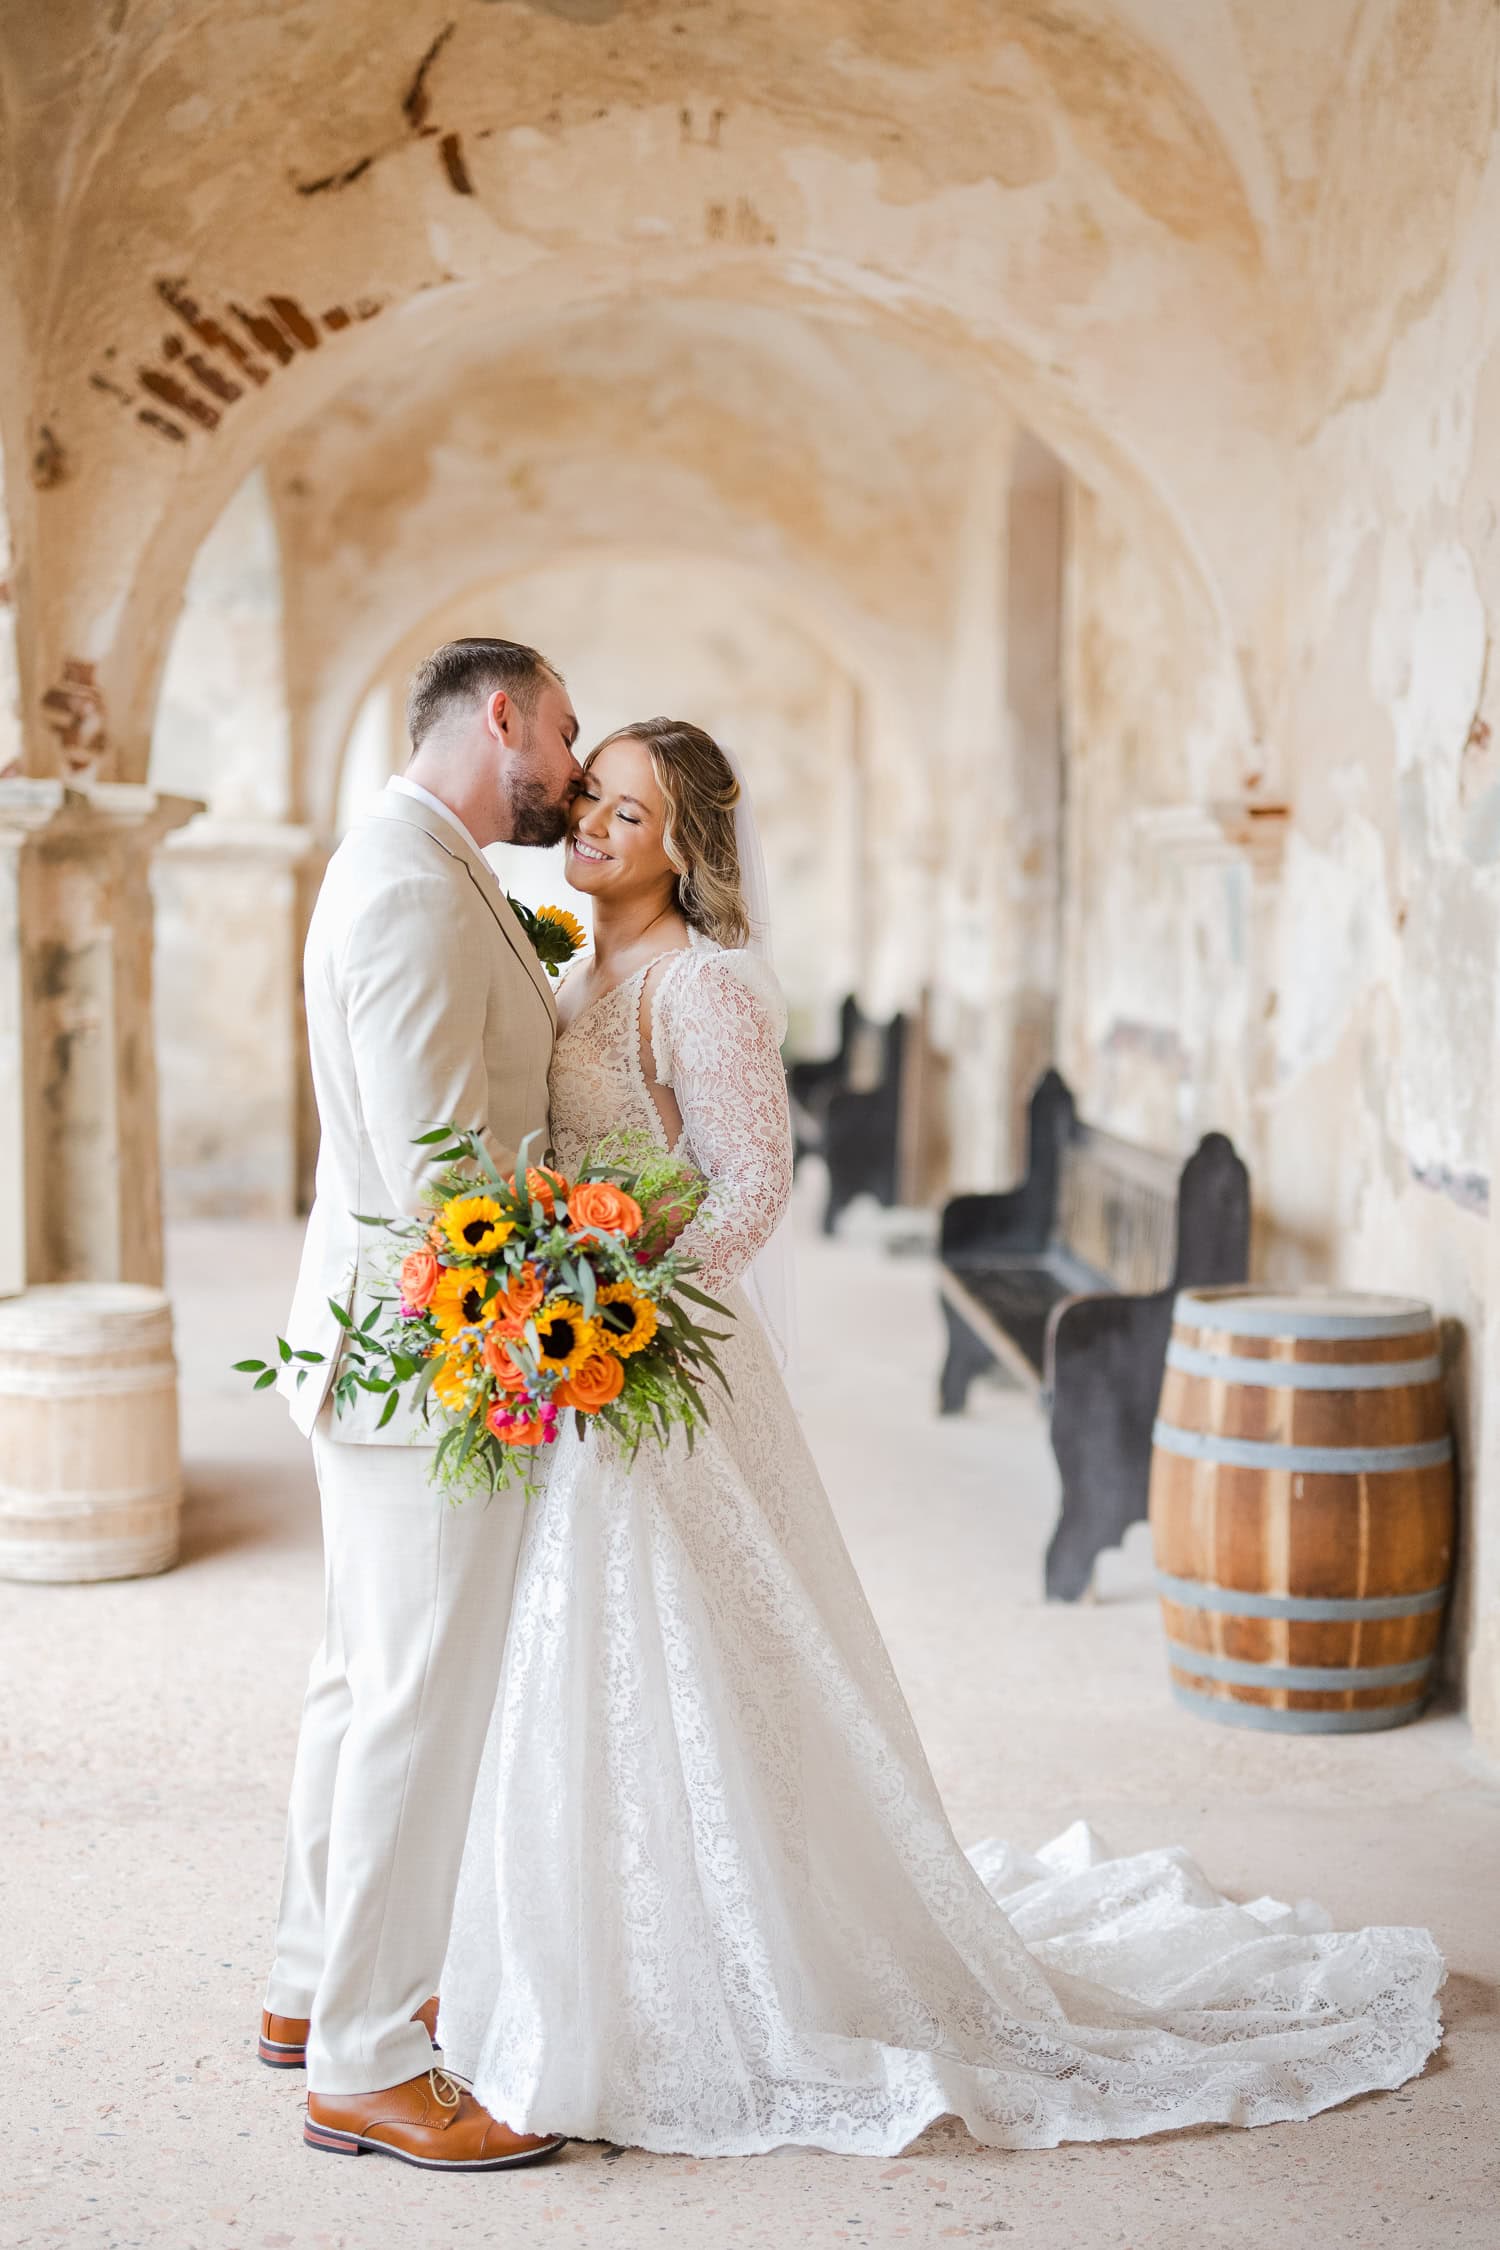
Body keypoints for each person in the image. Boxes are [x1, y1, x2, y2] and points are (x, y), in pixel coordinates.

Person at [437, 717, 1446, 2157]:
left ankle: (737, 1966)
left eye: (631, 811)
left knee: (691, 1651)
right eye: (590, 793)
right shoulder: (574, 963)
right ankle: (585, 1959)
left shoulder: (701, 988)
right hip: (583, 1363)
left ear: (687, 847)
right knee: (593, 1658)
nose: (593, 819)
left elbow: (754, 1186)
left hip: (654, 1365)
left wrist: (627, 1308)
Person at [261, 638, 582, 2171]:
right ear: (501, 715)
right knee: (415, 1699)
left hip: (385, 1357)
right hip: (429, 1368)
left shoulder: (423, 863)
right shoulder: (402, 878)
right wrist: (563, 1304)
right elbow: (444, 1172)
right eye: (566, 731)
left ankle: (303, 1982)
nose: (575, 769)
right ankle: (370, 2054)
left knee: (358, 1678)